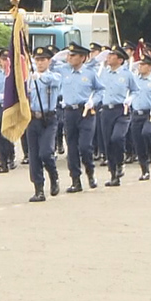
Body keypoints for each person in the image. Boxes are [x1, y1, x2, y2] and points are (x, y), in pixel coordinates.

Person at [51, 42, 106, 192]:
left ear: (82, 57)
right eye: (69, 54)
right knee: (72, 147)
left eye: (73, 55)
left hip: (86, 112)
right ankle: (75, 180)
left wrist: (92, 101)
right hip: (69, 112)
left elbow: (100, 90)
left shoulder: (89, 73)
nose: (70, 57)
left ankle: (90, 172)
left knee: (85, 146)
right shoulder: (63, 70)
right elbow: (47, 68)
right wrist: (56, 58)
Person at [97, 45, 138, 187]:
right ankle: (113, 174)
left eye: (112, 55)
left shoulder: (127, 74)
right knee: (108, 143)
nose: (109, 57)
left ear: (120, 59)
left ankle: (120, 162)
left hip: (121, 110)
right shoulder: (104, 73)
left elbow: (135, 90)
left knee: (117, 137)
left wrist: (130, 99)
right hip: (106, 110)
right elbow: (97, 89)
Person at [26, 46, 62, 202]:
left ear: (49, 61)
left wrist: (38, 76)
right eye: (37, 60)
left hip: (48, 119)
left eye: (43, 60)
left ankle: (53, 175)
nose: (39, 63)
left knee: (46, 152)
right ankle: (39, 189)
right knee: (33, 157)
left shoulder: (55, 76)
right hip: (33, 119)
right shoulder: (30, 78)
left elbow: (50, 81)